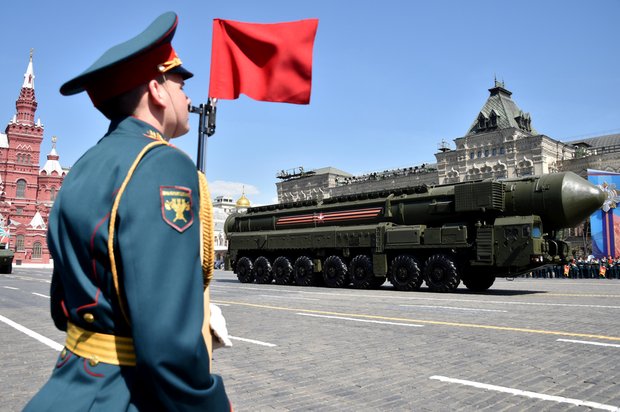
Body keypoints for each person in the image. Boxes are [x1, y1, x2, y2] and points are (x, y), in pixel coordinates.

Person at [25, 12, 231, 411]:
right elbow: (167, 345)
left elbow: (61, 305)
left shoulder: (83, 167)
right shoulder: (162, 165)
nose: (189, 98)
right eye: (181, 84)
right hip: (128, 394)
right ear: (156, 89)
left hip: (72, 383)